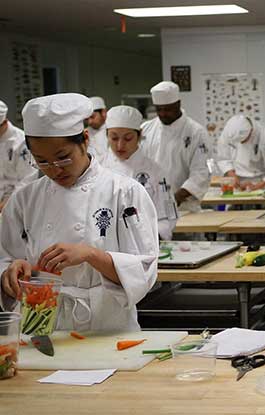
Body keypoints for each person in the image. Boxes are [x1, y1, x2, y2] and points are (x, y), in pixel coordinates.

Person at [0, 93, 158, 331]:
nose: (54, 171)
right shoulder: (25, 199)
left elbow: (143, 272)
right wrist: (10, 273)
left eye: (63, 158)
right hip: (40, 324)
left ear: (85, 140)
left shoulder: (124, 193)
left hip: (105, 326)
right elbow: (5, 256)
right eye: (42, 161)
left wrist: (91, 255)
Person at [101, 105, 178, 240]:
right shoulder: (98, 169)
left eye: (127, 138)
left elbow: (167, 216)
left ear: (139, 136)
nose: (120, 145)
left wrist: (151, 240)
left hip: (145, 242)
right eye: (114, 138)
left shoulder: (155, 172)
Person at [140, 81, 211, 211]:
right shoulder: (146, 130)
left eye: (168, 109)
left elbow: (201, 172)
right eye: (159, 109)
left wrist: (175, 198)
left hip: (184, 208)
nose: (163, 114)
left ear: (178, 104)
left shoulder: (196, 132)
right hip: (150, 206)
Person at [216, 114, 265, 191]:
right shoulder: (228, 132)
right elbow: (223, 157)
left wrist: (260, 185)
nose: (241, 144)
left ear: (251, 132)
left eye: (244, 141)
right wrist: (231, 174)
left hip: (261, 179)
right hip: (236, 178)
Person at [0, 99, 35, 211]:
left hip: (15, 199)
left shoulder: (21, 142)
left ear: (4, 123)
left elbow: (28, 178)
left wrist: (9, 202)